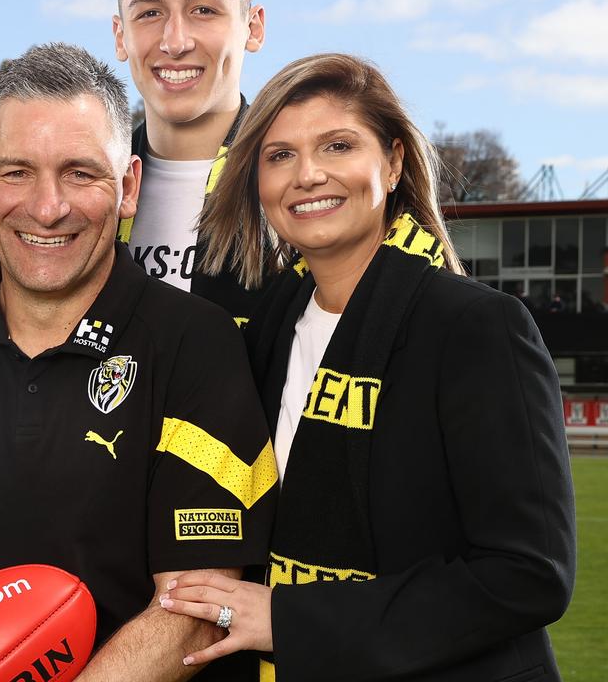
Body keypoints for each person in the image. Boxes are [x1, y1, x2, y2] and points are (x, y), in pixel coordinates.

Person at [0, 43, 277, 681]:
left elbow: (195, 605)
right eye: (16, 173)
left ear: (128, 187)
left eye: (79, 173)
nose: (46, 207)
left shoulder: (197, 346)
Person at [160, 53, 576, 681]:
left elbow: (529, 573)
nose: (308, 175)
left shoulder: (476, 328)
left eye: (337, 145)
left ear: (394, 161)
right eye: (279, 156)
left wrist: (290, 618)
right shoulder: (265, 329)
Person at [113, 0, 266, 322]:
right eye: (149, 13)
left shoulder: (297, 188)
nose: (175, 42)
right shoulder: (86, 189)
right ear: (120, 35)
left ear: (253, 28)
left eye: (203, 9)